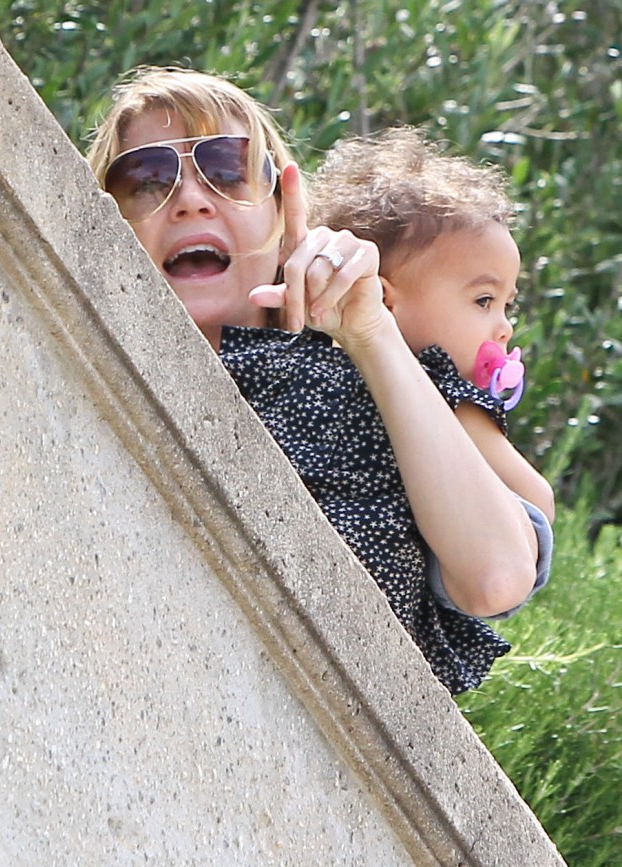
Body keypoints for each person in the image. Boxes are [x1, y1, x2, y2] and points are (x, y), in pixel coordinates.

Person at [87, 66, 550, 694]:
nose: (191, 199)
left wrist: (372, 332)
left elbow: (496, 577)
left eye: (227, 168)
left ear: (284, 211)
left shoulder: (378, 384)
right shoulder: (71, 390)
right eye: (146, 178)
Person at [306, 126, 555, 523]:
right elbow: (538, 500)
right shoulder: (447, 395)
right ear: (383, 301)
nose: (504, 328)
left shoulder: (310, 376)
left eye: (507, 305)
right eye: (484, 301)